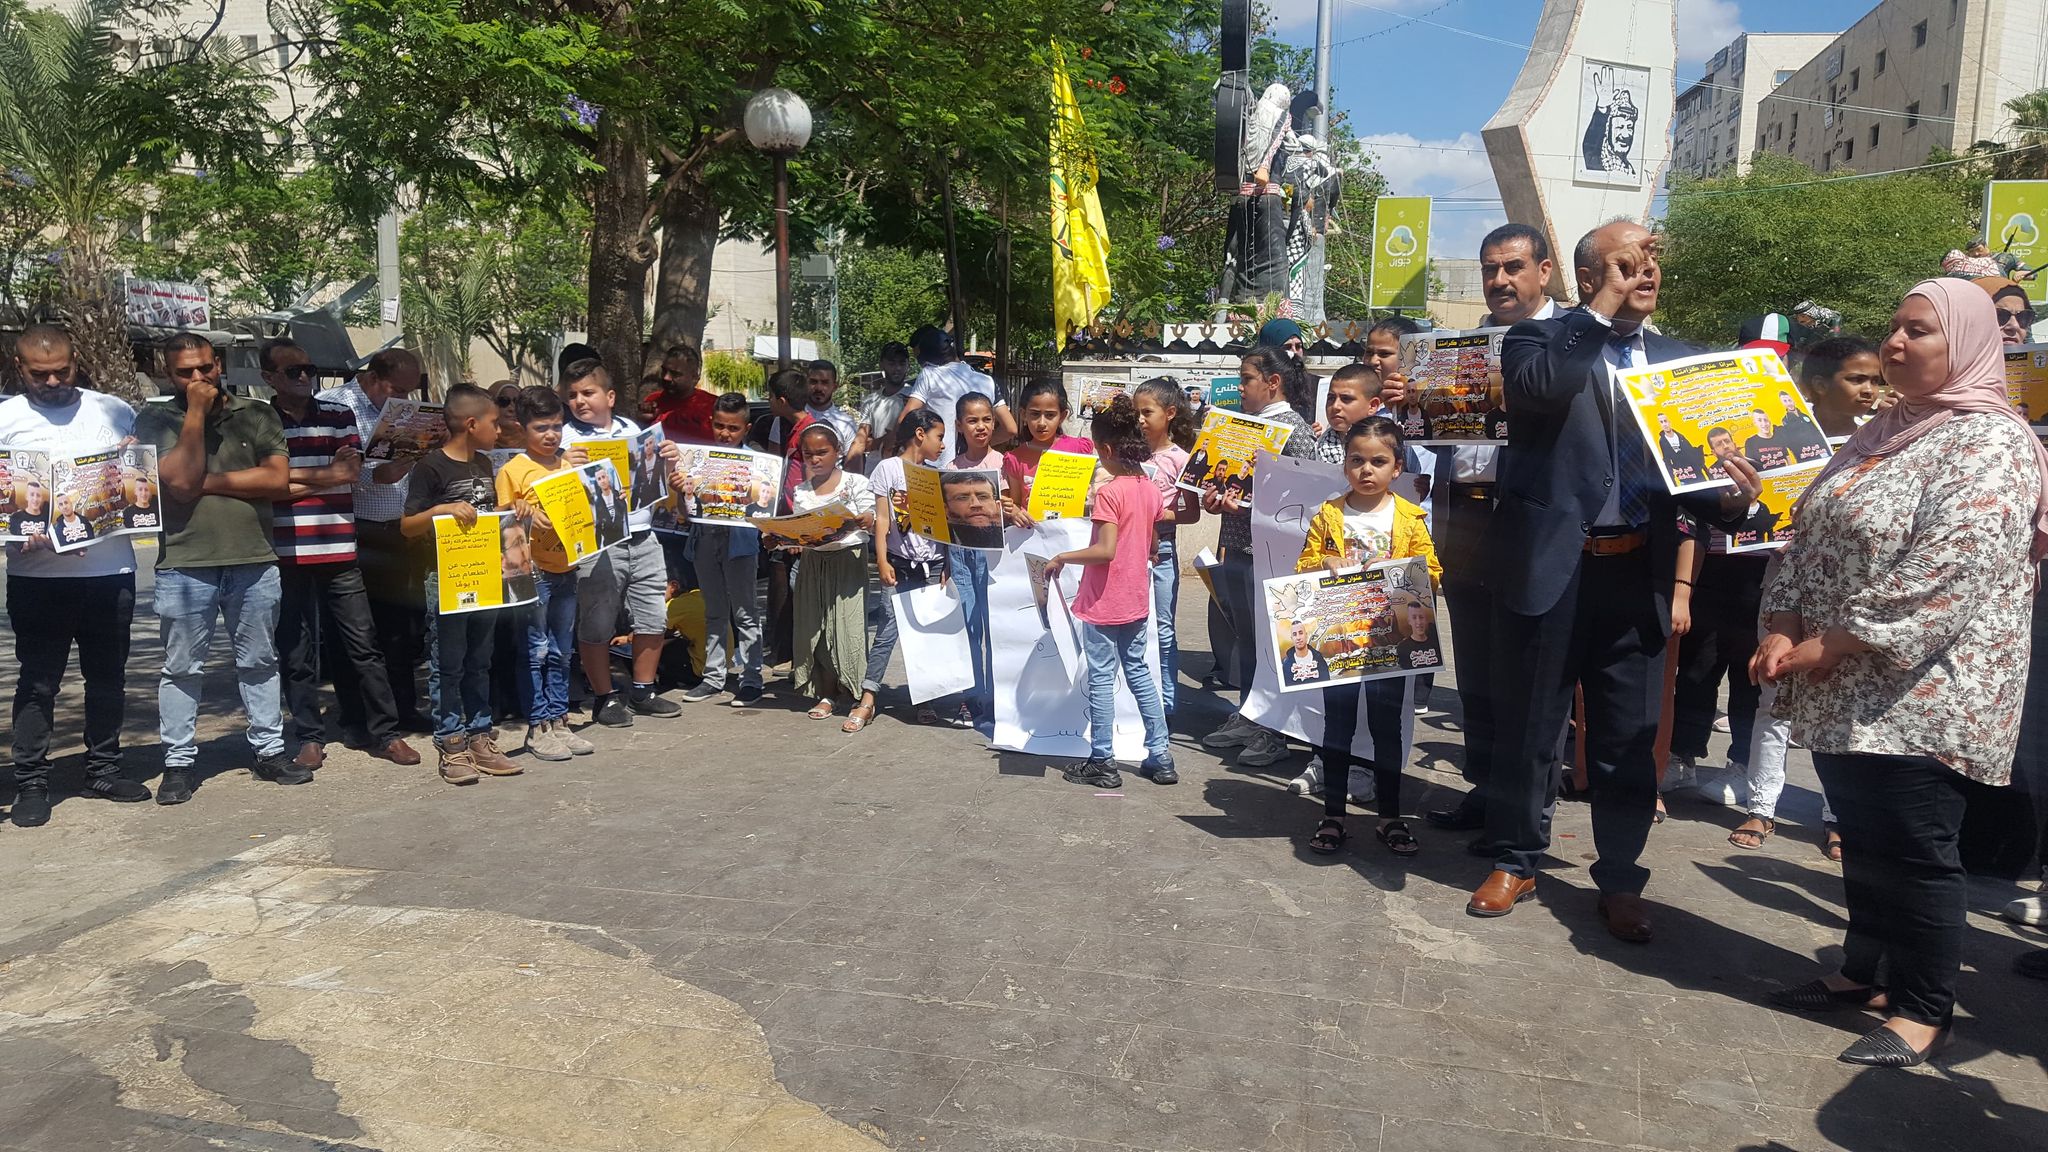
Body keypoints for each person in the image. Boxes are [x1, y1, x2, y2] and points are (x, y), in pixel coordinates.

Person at [1756, 278, 2048, 1066]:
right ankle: (1865, 976)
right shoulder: (1886, 428)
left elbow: (1950, 567)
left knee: (1917, 849)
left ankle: (1924, 1007)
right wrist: (1784, 620)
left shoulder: (1992, 441)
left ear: (1967, 343)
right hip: (1845, 683)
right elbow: (1809, 527)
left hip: (1924, 689)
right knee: (1868, 838)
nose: (1895, 343)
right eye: (1894, 327)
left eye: (1919, 331)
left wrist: (1831, 642)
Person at [1471, 220, 1763, 941]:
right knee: (1531, 728)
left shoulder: (1686, 365)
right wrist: (1598, 313)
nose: (1647, 272)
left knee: (1628, 738)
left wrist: (1733, 497)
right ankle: (1515, 857)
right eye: (1630, 261)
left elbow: (1690, 482)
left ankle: (1623, 876)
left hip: (1639, 571)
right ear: (1591, 274)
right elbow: (1543, 393)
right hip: (1552, 570)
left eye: (1654, 259)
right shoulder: (1537, 341)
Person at [137, 333, 301, 806]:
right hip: (186, 565)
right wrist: (194, 413)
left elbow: (274, 479)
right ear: (168, 375)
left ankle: (269, 750)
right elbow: (174, 482)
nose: (198, 379)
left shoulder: (256, 413)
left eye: (205, 369)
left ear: (219, 363)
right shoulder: (155, 417)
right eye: (185, 372)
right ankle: (178, 762)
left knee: (260, 661)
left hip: (253, 558)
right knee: (182, 667)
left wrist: (201, 483)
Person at [0, 325, 149, 825]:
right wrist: (18, 532)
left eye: (62, 370)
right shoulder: (6, 418)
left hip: (111, 572)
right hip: (36, 578)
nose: (53, 380)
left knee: (107, 677)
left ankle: (103, 768)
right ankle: (32, 783)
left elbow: (138, 482)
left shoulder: (113, 410)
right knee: (39, 684)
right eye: (40, 374)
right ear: (19, 367)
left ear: (76, 360)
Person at [264, 337, 419, 773]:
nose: (303, 378)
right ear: (268, 378)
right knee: (296, 649)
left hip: (339, 545)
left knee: (363, 643)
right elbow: (264, 483)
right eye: (292, 372)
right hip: (286, 549)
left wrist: (297, 481)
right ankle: (309, 737)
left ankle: (385, 732)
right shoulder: (262, 420)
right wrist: (325, 475)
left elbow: (354, 474)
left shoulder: (337, 415)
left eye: (308, 370)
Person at [1294, 415, 1441, 856]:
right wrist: (1323, 566)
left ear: (1397, 467)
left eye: (1378, 461)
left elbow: (1432, 572)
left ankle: (1389, 816)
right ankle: (1333, 815)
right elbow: (1303, 567)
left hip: (1390, 641)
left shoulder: (1412, 518)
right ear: (1344, 464)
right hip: (1337, 638)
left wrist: (1403, 576)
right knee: (1336, 727)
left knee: (1386, 728)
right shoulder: (1329, 515)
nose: (1366, 470)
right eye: (1357, 460)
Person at [1043, 396, 1174, 789]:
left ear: (1105, 449)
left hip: (1104, 601)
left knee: (1101, 679)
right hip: (1135, 597)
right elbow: (1151, 546)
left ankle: (1102, 759)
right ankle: (1161, 755)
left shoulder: (1109, 493)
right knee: (1139, 674)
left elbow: (1105, 550)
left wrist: (1062, 556)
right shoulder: (1148, 489)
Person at [1198, 347, 1319, 765]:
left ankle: (1276, 731)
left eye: (1246, 379)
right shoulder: (1244, 426)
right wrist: (1213, 499)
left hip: (1273, 553)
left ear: (1273, 383)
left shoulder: (1293, 429)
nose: (1240, 387)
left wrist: (1248, 506)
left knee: (1274, 644)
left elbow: (1306, 499)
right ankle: (1251, 714)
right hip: (1237, 545)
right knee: (1247, 641)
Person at [401, 384, 524, 785]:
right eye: (493, 423)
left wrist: (512, 510)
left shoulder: (485, 464)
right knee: (447, 664)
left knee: (480, 660)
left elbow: (488, 516)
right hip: (447, 580)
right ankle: (450, 741)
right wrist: (441, 509)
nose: (500, 430)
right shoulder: (431, 467)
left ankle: (480, 736)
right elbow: (407, 527)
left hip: (487, 576)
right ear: (471, 424)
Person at [560, 358, 681, 725]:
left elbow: (659, 483)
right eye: (572, 395)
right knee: (597, 623)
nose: (580, 401)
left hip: (644, 535)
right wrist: (564, 464)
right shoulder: (565, 438)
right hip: (598, 543)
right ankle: (603, 696)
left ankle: (643, 690)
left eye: (588, 392)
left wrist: (671, 461)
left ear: (610, 396)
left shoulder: (634, 430)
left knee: (653, 616)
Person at [319, 348, 432, 735]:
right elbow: (333, 472)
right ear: (374, 377)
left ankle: (403, 708)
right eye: (397, 389)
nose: (403, 398)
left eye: (409, 391)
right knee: (354, 633)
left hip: (397, 529)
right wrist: (376, 475)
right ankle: (356, 716)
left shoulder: (404, 410)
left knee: (399, 631)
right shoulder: (334, 406)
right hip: (354, 529)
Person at [495, 386, 593, 762]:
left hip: (567, 566)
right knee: (534, 650)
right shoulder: (513, 470)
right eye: (541, 428)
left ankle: (559, 718)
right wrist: (518, 510)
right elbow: (501, 522)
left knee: (561, 651)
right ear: (522, 427)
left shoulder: (568, 466)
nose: (551, 435)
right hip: (532, 573)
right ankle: (538, 726)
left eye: (556, 426)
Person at [848, 408, 954, 732]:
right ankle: (868, 697)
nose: (943, 445)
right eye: (939, 437)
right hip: (898, 564)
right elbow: (882, 519)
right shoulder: (888, 469)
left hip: (932, 565)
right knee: (887, 632)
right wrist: (880, 560)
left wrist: (946, 562)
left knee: (925, 635)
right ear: (920, 434)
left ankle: (924, 698)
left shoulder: (936, 474)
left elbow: (944, 526)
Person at [769, 424, 874, 721]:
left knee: (847, 626)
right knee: (818, 628)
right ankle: (827, 693)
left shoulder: (856, 483)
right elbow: (802, 532)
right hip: (814, 564)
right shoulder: (802, 491)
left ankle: (854, 692)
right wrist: (781, 537)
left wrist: (864, 518)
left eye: (822, 452)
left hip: (848, 561)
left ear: (837, 452)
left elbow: (871, 514)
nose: (815, 459)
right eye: (808, 454)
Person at [674, 392, 769, 707]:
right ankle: (713, 677)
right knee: (713, 611)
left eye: (733, 428)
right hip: (704, 540)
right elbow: (685, 512)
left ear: (746, 428)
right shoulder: (699, 460)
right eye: (719, 426)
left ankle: (752, 678)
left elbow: (763, 507)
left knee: (745, 612)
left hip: (740, 544)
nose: (725, 434)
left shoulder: (756, 463)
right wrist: (681, 491)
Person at [1133, 377, 1198, 716]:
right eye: (1136, 412)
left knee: (1162, 628)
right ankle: (1136, 702)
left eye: (1147, 412)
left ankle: (1166, 705)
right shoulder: (1131, 455)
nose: (1140, 420)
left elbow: (1192, 513)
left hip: (1163, 554)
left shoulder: (1180, 459)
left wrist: (1159, 513)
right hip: (1129, 552)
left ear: (1170, 413)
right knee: (1132, 625)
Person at [946, 392, 1009, 727]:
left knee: (995, 629)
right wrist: (946, 565)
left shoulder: (1003, 465)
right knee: (968, 628)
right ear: (959, 425)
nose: (980, 426)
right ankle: (971, 699)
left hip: (996, 560)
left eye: (986, 419)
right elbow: (945, 525)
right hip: (961, 557)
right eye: (972, 420)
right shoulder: (949, 470)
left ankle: (998, 699)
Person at [748, 367, 812, 669]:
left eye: (771, 396)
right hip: (786, 524)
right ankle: (787, 652)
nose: (768, 401)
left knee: (803, 595)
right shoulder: (792, 429)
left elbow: (810, 485)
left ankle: (805, 659)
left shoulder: (810, 433)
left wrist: (800, 530)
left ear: (782, 400)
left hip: (801, 528)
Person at [899, 325, 1016, 451]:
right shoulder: (987, 381)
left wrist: (892, 443)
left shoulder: (929, 374)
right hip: (977, 464)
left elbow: (904, 419)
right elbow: (1010, 429)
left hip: (939, 465)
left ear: (926, 360)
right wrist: (978, 445)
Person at [1001, 379, 1096, 523]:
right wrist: (1015, 512)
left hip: (1073, 536)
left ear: (1062, 416)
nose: (1041, 423)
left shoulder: (1078, 450)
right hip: (1033, 537)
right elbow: (1017, 502)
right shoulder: (1015, 458)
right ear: (1023, 414)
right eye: (1035, 414)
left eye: (1050, 415)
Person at [1797, 337, 1882, 438]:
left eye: (1875, 381)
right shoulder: (1788, 435)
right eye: (1857, 380)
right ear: (1820, 385)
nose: (1869, 390)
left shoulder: (1877, 437)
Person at [640, 344, 716, 444]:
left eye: (675, 374)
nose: (666, 377)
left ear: (694, 377)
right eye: (664, 370)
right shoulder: (652, 401)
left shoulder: (714, 405)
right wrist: (642, 421)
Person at [852, 341, 913, 465]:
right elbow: (862, 441)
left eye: (902, 363)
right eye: (892, 363)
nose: (897, 368)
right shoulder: (871, 400)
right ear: (881, 365)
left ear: (908, 365)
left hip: (906, 470)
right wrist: (883, 441)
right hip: (874, 469)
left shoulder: (915, 398)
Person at [942, 470, 1006, 549]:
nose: (976, 504)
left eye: (983, 497)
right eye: (963, 498)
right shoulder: (940, 548)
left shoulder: (1012, 537)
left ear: (998, 506)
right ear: (946, 509)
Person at [803, 359, 857, 448]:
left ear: (834, 387)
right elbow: (775, 459)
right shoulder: (789, 418)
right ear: (806, 383)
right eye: (813, 382)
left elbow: (853, 460)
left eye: (825, 383)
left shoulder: (847, 423)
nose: (818, 388)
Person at [1654, 412, 1705, 482]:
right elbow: (1667, 460)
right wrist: (1673, 481)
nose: (1664, 424)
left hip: (1696, 472)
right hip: (1683, 475)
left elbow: (1692, 452)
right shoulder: (1662, 441)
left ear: (1669, 422)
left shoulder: (1680, 436)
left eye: (1665, 421)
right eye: (1661, 422)